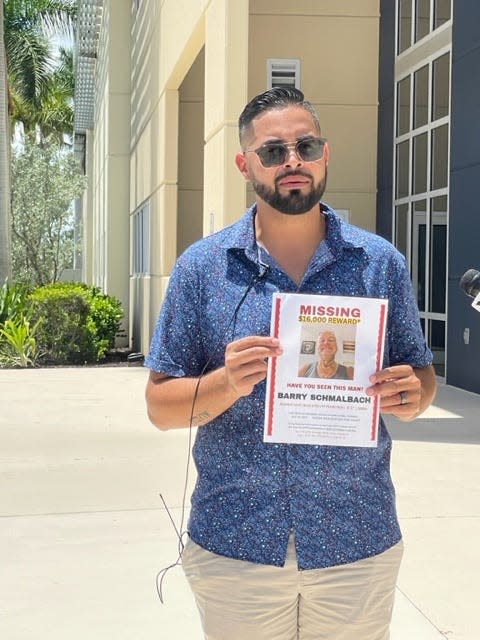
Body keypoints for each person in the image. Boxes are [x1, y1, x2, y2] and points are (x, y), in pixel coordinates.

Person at [145, 87, 436, 640]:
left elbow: (421, 377)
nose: (292, 161)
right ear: (245, 164)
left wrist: (414, 394)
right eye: (273, 151)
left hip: (356, 543)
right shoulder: (203, 269)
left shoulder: (379, 264)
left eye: (305, 146)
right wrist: (227, 383)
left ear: (324, 154)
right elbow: (161, 407)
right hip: (238, 545)